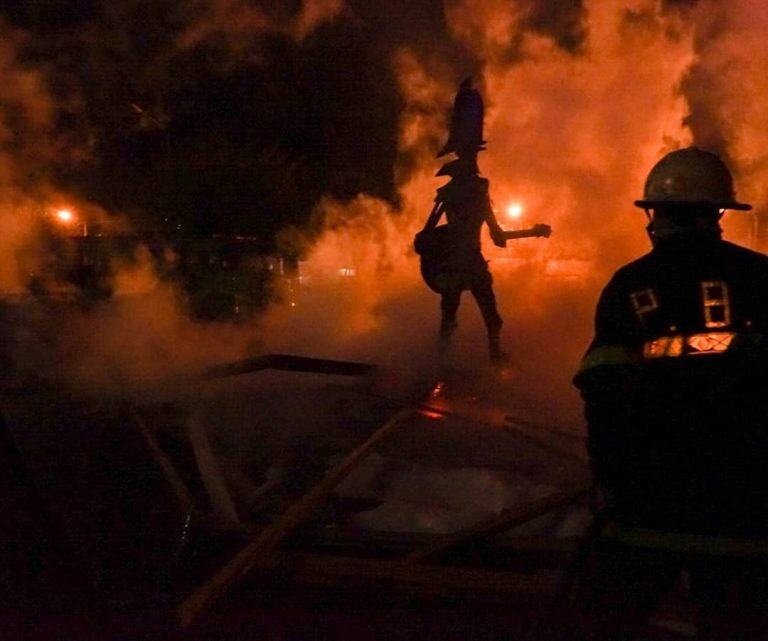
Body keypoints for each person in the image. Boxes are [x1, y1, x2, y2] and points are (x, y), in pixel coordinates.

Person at [546, 147, 768, 640]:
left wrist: (609, 470)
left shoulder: (631, 284)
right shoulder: (763, 278)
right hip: (746, 508)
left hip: (648, 503)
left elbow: (602, 388)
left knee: (611, 622)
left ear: (657, 213)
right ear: (718, 213)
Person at [415, 79, 550, 364]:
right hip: (470, 264)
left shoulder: (451, 193)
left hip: (455, 265)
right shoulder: (474, 191)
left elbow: (430, 233)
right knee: (488, 319)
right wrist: (533, 232)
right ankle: (493, 360)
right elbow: (498, 236)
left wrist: (533, 232)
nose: (474, 159)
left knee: (452, 318)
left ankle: (443, 363)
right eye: (472, 154)